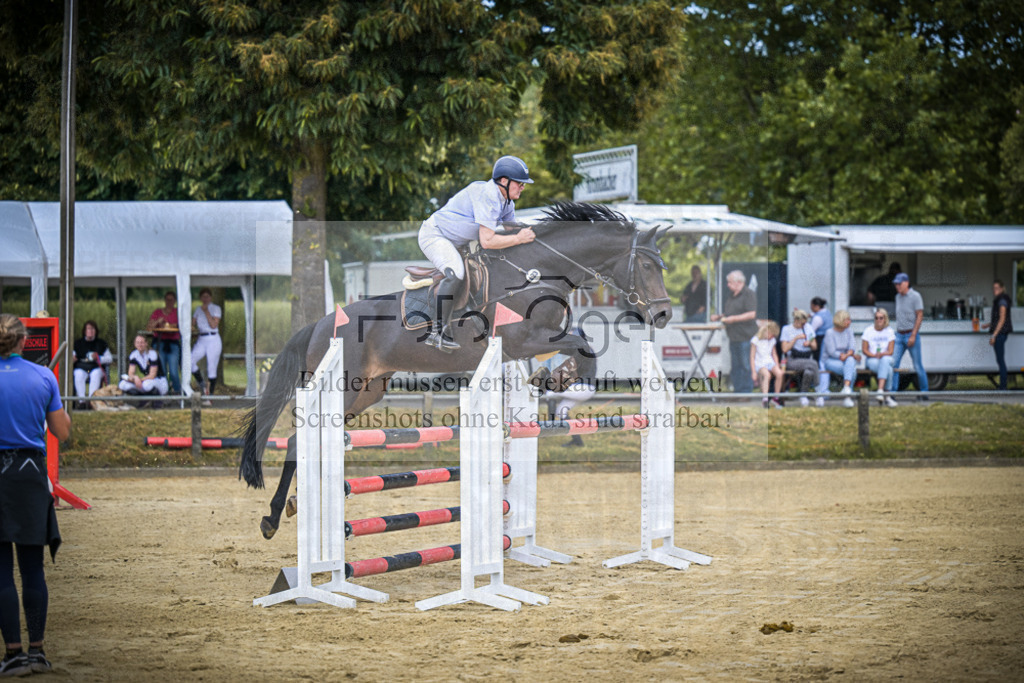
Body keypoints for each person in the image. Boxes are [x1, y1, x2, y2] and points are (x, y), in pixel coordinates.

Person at [0, 314, 68, 675]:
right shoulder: (43, 376)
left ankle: (12, 653)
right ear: (23, 342)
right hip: (29, 476)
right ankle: (37, 651)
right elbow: (63, 431)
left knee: (0, 573)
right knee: (32, 570)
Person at [417, 155, 536, 351]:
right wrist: (519, 237)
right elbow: (488, 241)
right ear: (504, 181)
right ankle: (436, 331)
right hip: (434, 235)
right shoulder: (487, 195)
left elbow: (511, 229)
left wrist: (536, 233)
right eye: (519, 183)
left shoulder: (506, 201)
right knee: (456, 272)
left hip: (456, 242)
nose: (523, 186)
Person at [710, 270, 758, 393]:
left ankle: (746, 392)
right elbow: (730, 314)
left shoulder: (749, 294)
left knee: (745, 365)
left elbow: (751, 314)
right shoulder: (732, 296)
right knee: (735, 366)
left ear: (738, 282)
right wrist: (720, 316)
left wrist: (733, 319)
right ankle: (737, 391)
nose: (728, 285)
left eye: (730, 282)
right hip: (734, 337)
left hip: (745, 337)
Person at [540, 353, 597, 447]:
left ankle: (550, 427)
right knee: (561, 411)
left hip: (584, 388)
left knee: (551, 392)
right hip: (584, 388)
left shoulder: (582, 354)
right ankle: (577, 441)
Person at [891, 272, 928, 395]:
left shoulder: (915, 296)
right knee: (894, 364)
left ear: (906, 283)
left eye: (899, 284)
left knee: (917, 366)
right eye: (896, 284)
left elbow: (920, 315)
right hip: (899, 335)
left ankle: (924, 393)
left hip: (911, 334)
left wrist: (913, 335)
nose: (897, 286)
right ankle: (892, 393)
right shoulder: (897, 297)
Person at [816, 310, 861, 408]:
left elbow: (852, 347)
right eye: (847, 320)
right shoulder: (829, 333)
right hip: (829, 360)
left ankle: (846, 388)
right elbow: (831, 352)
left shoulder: (849, 331)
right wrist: (845, 355)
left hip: (845, 359)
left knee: (851, 363)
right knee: (852, 370)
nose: (850, 322)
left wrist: (847, 355)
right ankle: (847, 397)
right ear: (841, 320)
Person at [780, 309, 819, 407]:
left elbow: (815, 346)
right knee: (813, 363)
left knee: (809, 372)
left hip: (806, 358)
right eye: (802, 324)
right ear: (796, 320)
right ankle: (819, 391)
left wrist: (809, 343)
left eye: (805, 323)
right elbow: (784, 349)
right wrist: (796, 338)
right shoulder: (786, 329)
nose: (803, 326)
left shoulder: (808, 328)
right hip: (792, 360)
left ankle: (803, 395)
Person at [861, 308, 899, 407]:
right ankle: (887, 397)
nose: (878, 320)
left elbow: (890, 351)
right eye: (876, 318)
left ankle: (880, 390)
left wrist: (881, 354)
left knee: (885, 360)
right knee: (889, 370)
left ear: (885, 319)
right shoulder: (868, 330)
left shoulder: (890, 331)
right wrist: (874, 355)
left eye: (881, 318)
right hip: (872, 359)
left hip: (886, 358)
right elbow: (865, 350)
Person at [146, 291, 182, 394]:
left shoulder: (178, 312)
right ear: (165, 300)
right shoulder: (158, 312)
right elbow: (149, 327)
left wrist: (173, 325)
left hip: (173, 343)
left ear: (175, 301)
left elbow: (183, 325)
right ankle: (165, 392)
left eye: (171, 300)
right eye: (167, 299)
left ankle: (178, 392)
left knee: (174, 371)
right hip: (160, 342)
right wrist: (158, 321)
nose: (169, 302)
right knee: (162, 370)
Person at [982, 280, 1013, 390]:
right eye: (993, 288)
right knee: (1000, 360)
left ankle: (1003, 386)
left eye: (996, 288)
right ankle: (1002, 385)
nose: (994, 290)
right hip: (1000, 333)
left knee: (1000, 360)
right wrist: (988, 325)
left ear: (1002, 288)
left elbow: (1002, 319)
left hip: (1000, 334)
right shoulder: (1000, 300)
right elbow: (998, 319)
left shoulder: (1002, 301)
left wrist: (994, 335)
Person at [190, 288, 222, 396]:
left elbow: (213, 325)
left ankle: (210, 396)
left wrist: (206, 311)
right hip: (202, 338)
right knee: (190, 361)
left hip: (213, 338)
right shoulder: (197, 309)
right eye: (203, 297)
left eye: (207, 296)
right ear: (200, 298)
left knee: (211, 367)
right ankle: (202, 384)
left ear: (210, 297)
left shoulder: (216, 308)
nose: (205, 299)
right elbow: (192, 324)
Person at [72, 320, 112, 401]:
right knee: (78, 374)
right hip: (81, 367)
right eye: (88, 329)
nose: (90, 331)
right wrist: (72, 359)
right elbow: (72, 356)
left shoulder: (101, 343)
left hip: (96, 368)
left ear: (96, 331)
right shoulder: (77, 343)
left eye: (93, 329)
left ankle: (91, 400)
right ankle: (82, 401)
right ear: (84, 331)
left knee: (96, 375)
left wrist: (99, 358)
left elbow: (109, 359)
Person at [119, 334, 169, 399]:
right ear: (135, 344)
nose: (140, 345)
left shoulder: (152, 354)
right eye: (137, 342)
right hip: (145, 381)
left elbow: (152, 375)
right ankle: (142, 399)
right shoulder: (134, 355)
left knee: (146, 385)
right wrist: (135, 378)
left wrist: (140, 380)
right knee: (122, 384)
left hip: (158, 381)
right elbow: (131, 373)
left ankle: (158, 401)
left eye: (142, 342)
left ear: (146, 343)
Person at [750, 321, 784, 409]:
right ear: (767, 331)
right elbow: (752, 356)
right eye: (771, 335)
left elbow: (774, 354)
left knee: (779, 374)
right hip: (760, 363)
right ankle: (765, 397)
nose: (772, 337)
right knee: (767, 375)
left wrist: (777, 365)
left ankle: (776, 397)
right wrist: (753, 371)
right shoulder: (756, 340)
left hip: (769, 361)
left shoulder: (772, 340)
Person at [809, 297, 832, 362]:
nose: (811, 308)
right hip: (829, 338)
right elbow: (815, 313)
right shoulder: (827, 312)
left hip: (820, 340)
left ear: (816, 306)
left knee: (818, 358)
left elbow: (811, 331)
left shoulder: (817, 318)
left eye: (811, 306)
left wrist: (809, 341)